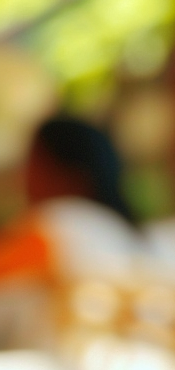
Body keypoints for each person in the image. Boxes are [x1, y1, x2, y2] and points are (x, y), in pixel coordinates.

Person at [0, 115, 138, 283]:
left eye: (33, 161)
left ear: (64, 172)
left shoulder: (58, 220)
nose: (22, 175)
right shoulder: (117, 230)